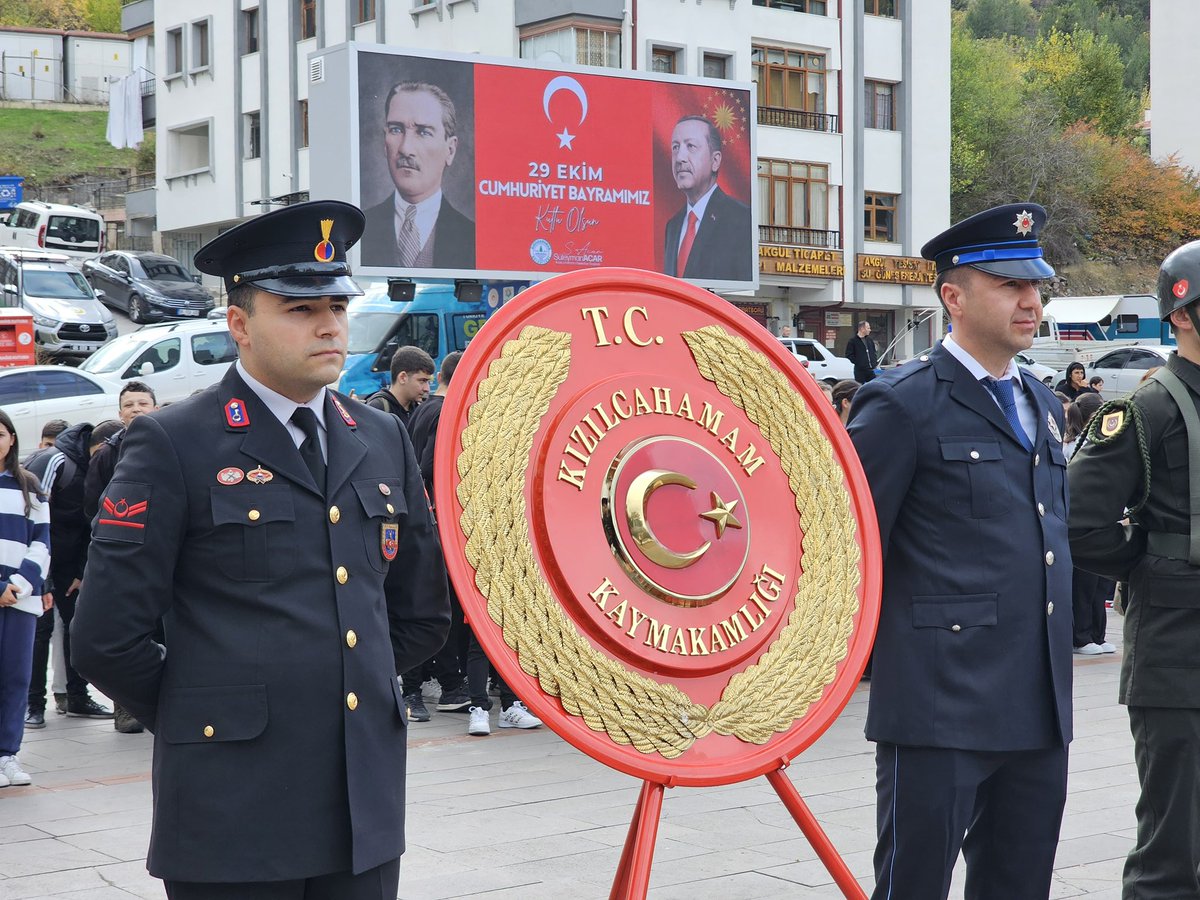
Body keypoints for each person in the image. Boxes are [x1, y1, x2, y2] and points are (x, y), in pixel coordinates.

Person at [71, 200, 452, 899]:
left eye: (337, 305)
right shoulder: (175, 442)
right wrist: (214, 718)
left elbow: (420, 609)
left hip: (361, 811)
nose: (330, 324)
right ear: (240, 324)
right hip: (231, 816)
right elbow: (105, 637)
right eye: (300, 308)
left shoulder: (379, 437)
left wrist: (339, 683)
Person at [848, 203, 1072, 900]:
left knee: (1018, 885)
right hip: (940, 705)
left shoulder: (1041, 400)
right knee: (913, 887)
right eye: (1009, 285)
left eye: (1036, 286)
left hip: (1035, 701)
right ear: (953, 296)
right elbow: (854, 548)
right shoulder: (902, 404)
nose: (1030, 301)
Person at [1068, 239, 1200, 898]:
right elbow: (1080, 524)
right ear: (1181, 315)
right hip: (1178, 655)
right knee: (1174, 855)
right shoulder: (1145, 410)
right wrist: (1151, 568)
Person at [23, 421, 119, 728]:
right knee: (40, 629)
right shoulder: (56, 461)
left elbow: (94, 522)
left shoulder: (105, 466)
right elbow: (31, 514)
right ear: (95, 447)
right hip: (37, 555)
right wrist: (42, 575)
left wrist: (80, 571)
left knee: (78, 625)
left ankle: (78, 696)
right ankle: (33, 704)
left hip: (70, 560)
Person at [81, 383, 159, 735]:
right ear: (119, 413)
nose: (136, 409)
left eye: (143, 402)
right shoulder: (107, 455)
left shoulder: (177, 445)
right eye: (129, 404)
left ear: (155, 407)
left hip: (167, 555)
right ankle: (126, 709)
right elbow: (92, 508)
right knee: (128, 631)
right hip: (126, 557)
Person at [361, 81, 475, 269]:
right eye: (396, 130)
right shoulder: (358, 231)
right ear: (384, 141)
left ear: (451, 149)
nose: (406, 148)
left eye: (423, 132)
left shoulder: (472, 238)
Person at [0, 409, 50, 788]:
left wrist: (21, 584)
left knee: (16, 676)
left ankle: (8, 755)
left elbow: (42, 541)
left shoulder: (29, 485)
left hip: (20, 598)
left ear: (12, 438)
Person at [662, 115, 752, 282]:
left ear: (715, 160)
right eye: (675, 147)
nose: (680, 157)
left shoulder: (741, 220)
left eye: (691, 146)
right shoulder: (673, 226)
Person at [363, 345, 434, 431]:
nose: (427, 389)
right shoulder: (378, 408)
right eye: (422, 381)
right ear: (402, 377)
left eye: (428, 381)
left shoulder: (419, 410)